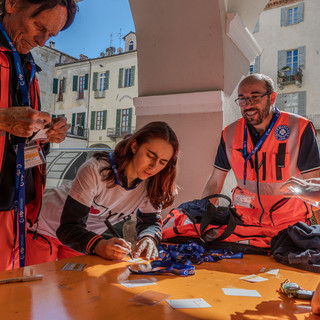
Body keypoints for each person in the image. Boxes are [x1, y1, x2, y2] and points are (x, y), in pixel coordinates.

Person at [26, 121, 179, 264]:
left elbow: (150, 222)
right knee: (39, 287)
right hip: (43, 227)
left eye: (162, 162)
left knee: (76, 287)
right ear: (134, 145)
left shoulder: (153, 183)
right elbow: (69, 228)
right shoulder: (96, 170)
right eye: (150, 156)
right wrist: (99, 244)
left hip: (79, 238)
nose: (154, 166)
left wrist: (149, 238)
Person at [0, 0, 77, 270]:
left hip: (12, 204)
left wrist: (46, 132)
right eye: (39, 27)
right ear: (12, 4)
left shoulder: (27, 66)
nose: (42, 41)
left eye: (51, 35)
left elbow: (15, 134)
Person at [201, 73, 320, 248]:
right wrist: (200, 218)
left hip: (291, 228)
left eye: (254, 97)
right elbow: (215, 181)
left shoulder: (299, 128)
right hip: (245, 226)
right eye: (242, 99)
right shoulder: (230, 133)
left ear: (272, 98)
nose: (248, 105)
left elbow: (314, 186)